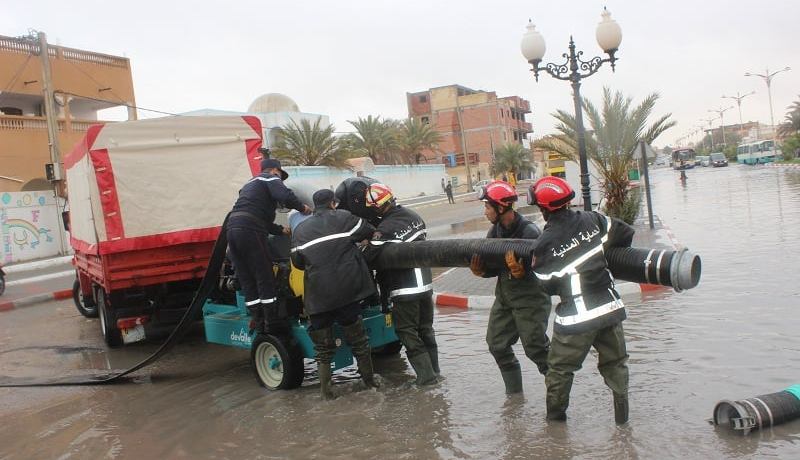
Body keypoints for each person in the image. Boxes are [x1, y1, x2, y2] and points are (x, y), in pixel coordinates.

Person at [528, 176, 634, 424]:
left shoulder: (544, 243)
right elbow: (624, 232)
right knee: (616, 365)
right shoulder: (593, 219)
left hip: (577, 318)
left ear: (543, 209)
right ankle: (623, 423)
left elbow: (545, 285)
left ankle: (555, 429)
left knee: (559, 371)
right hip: (610, 308)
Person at [290, 189, 380, 399]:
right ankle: (370, 383)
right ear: (333, 203)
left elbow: (298, 263)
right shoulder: (344, 218)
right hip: (347, 292)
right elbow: (368, 230)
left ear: (314, 206)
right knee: (359, 341)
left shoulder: (300, 230)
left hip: (319, 298)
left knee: (323, 349)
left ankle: (326, 394)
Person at [468, 180, 551, 395]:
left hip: (530, 299)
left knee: (536, 349)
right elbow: (494, 267)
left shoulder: (530, 232)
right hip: (505, 299)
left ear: (501, 207)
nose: (485, 211)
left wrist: (523, 272)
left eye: (487, 206)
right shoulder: (494, 233)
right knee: (496, 344)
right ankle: (514, 398)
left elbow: (545, 267)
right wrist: (482, 271)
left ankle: (558, 393)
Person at [363, 183, 439, 385]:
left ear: (378, 207)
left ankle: (426, 379)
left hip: (405, 288)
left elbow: (369, 257)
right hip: (425, 286)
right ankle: (435, 373)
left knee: (407, 331)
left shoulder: (385, 229)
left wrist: (364, 243)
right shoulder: (414, 216)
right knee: (426, 330)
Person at [227, 158, 311, 335]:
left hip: (233, 230)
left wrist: (281, 230)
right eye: (280, 175)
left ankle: (257, 320)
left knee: (247, 277)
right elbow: (285, 196)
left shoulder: (249, 185)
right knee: (264, 274)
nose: (280, 180)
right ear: (275, 171)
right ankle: (272, 321)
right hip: (250, 230)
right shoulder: (270, 178)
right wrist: (302, 208)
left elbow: (260, 219)